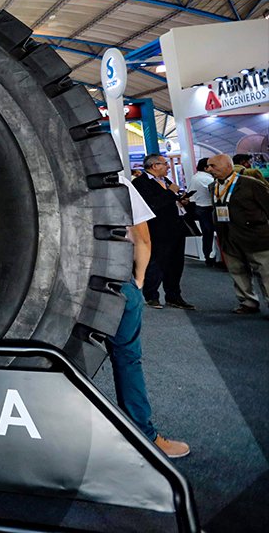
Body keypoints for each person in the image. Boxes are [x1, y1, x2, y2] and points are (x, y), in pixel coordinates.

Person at [107, 173, 190, 458]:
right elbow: (141, 237)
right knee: (127, 358)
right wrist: (139, 281)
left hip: (65, 284)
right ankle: (143, 435)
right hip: (115, 279)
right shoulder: (116, 180)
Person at [207, 154, 269, 315]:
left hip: (255, 236)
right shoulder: (212, 186)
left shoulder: (251, 184)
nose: (209, 169)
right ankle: (247, 302)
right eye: (208, 166)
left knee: (266, 273)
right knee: (237, 271)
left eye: (213, 166)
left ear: (228, 166)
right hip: (228, 237)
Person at [133, 155, 193, 310]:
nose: (168, 166)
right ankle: (151, 296)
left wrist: (180, 200)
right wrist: (171, 193)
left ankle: (174, 296)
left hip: (176, 228)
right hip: (157, 230)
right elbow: (151, 204)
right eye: (165, 164)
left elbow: (167, 200)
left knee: (176, 264)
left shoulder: (165, 181)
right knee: (157, 263)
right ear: (154, 166)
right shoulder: (140, 183)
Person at [187, 158, 218, 268]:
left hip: (200, 208)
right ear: (206, 168)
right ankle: (211, 257)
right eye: (212, 166)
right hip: (207, 208)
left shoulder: (196, 177)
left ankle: (208, 256)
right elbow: (216, 191)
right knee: (210, 234)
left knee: (207, 234)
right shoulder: (206, 179)